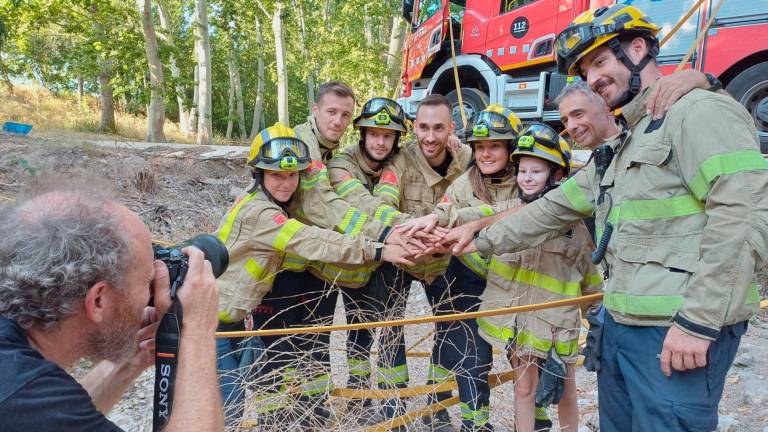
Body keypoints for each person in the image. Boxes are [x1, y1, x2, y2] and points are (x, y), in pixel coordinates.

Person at [444, 4, 768, 431]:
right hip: (622, 329)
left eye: (600, 61)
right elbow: (547, 210)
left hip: (675, 333)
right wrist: (476, 237)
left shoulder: (698, 112)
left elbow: (744, 217)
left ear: (639, 48)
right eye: (584, 71)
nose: (592, 78)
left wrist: (699, 322)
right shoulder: (624, 143)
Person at [214, 123, 413, 428]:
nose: (286, 183)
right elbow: (316, 241)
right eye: (277, 175)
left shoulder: (267, 203)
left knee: (248, 396)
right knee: (225, 411)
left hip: (236, 321)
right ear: (259, 175)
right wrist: (378, 250)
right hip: (216, 326)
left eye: (292, 175)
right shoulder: (263, 215)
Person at [0, 176, 224, 431]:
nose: (151, 292)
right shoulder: (20, 394)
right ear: (97, 300)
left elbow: (58, 417)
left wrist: (132, 358)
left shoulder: (21, 386)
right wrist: (196, 330)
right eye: (147, 280)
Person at [475, 124, 603, 432]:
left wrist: (598, 316)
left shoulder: (574, 227)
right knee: (523, 390)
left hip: (558, 325)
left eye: (536, 171)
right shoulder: (508, 214)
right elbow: (470, 220)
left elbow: (589, 276)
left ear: (557, 176)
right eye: (523, 171)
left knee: (566, 391)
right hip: (520, 325)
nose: (526, 178)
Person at [375, 93, 472, 431]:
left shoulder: (467, 159)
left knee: (450, 331)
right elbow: (382, 203)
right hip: (402, 257)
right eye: (424, 128)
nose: (430, 137)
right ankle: (393, 406)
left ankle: (437, 406)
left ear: (452, 129)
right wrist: (412, 230)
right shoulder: (399, 161)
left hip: (445, 262)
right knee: (389, 330)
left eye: (439, 128)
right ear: (414, 127)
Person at [326, 97, 413, 423]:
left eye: (387, 135)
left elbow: (442, 156)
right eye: (373, 133)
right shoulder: (341, 165)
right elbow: (362, 204)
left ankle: (395, 409)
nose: (380, 141)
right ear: (361, 133)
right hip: (356, 262)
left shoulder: (401, 160)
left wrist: (453, 141)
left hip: (394, 263)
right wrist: (409, 228)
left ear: (396, 139)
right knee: (359, 333)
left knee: (394, 332)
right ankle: (360, 402)